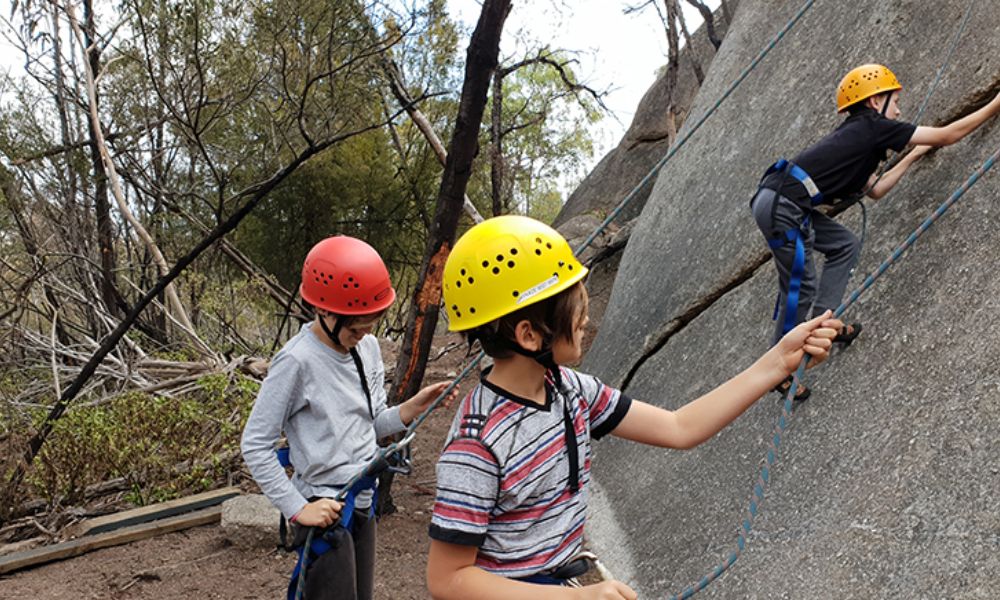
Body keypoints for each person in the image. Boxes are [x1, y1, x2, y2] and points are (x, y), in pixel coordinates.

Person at [424, 215, 842, 600]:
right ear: (529, 335)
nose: (585, 318)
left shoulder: (571, 390)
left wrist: (777, 363)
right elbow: (447, 578)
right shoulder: (476, 444)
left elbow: (679, 427)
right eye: (575, 306)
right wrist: (575, 597)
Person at [750, 63, 1000, 398]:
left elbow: (876, 189)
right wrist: (995, 103)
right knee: (801, 284)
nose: (899, 108)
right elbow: (949, 134)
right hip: (783, 204)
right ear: (874, 101)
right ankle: (776, 369)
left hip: (786, 202)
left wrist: (911, 157)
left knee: (844, 245)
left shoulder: (860, 138)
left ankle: (824, 324)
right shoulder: (872, 127)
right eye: (894, 100)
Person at [241, 235, 455, 600]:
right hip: (324, 510)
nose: (363, 336)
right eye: (355, 328)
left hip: (361, 502)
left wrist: (411, 409)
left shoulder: (366, 348)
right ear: (324, 311)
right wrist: (297, 508)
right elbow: (255, 445)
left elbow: (370, 426)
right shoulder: (296, 362)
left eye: (369, 327)